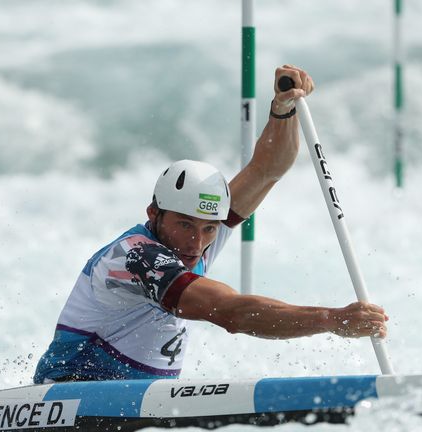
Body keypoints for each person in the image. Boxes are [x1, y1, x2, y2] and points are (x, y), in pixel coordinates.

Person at [33, 65, 388, 384]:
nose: (196, 243)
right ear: (153, 214)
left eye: (209, 229)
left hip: (135, 399)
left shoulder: (200, 236)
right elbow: (233, 314)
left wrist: (284, 110)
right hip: (70, 392)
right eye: (185, 225)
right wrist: (332, 319)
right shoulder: (136, 259)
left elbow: (267, 170)